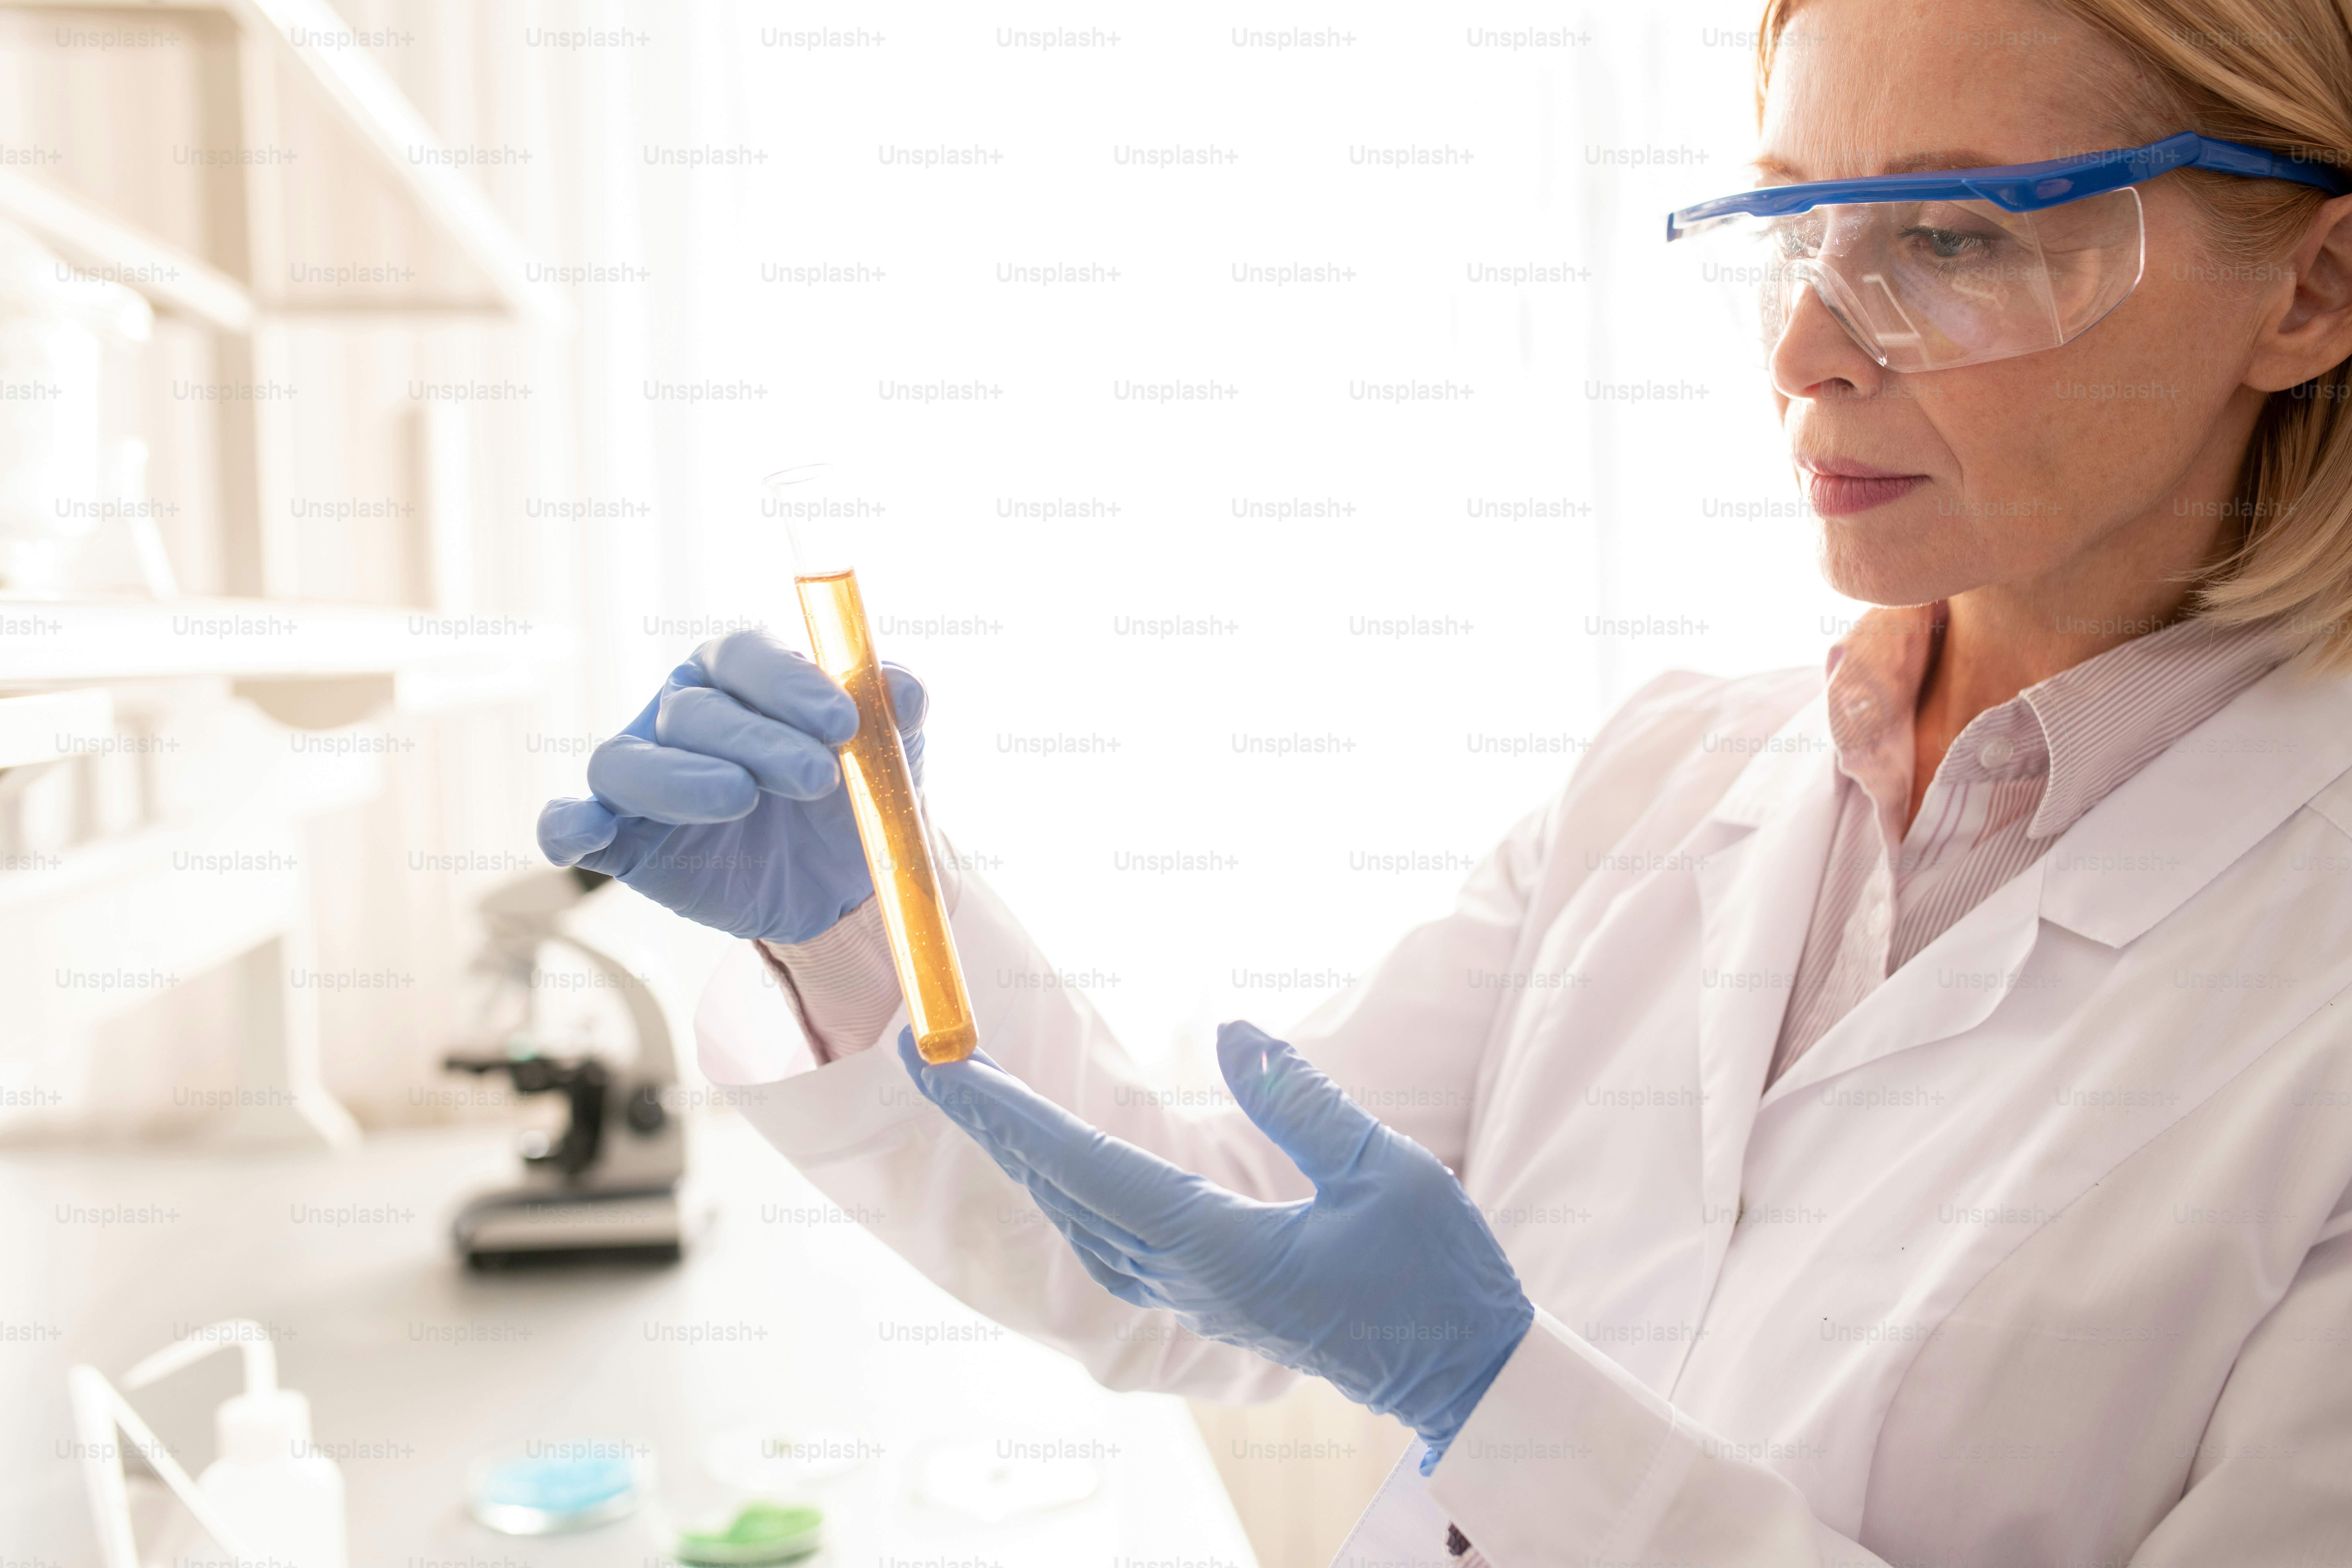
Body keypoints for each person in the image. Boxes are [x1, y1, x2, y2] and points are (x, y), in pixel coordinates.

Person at [539, 1, 2352, 1561]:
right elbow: (1198, 1241)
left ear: (2312, 290)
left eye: (1955, 239)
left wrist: (1504, 1404)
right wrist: (868, 922)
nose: (1806, 350)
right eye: (1796, 227)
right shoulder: (1670, 775)